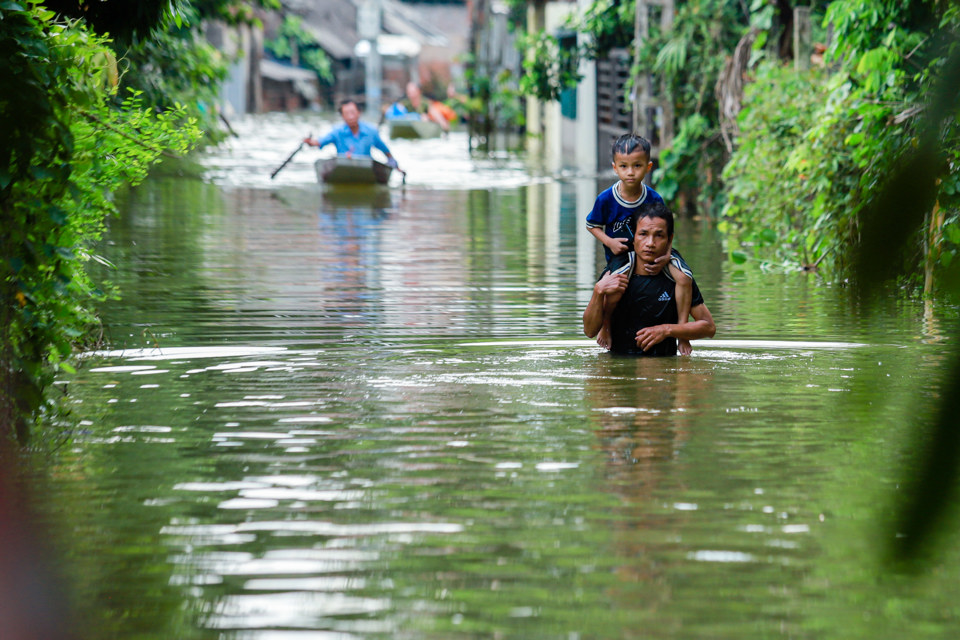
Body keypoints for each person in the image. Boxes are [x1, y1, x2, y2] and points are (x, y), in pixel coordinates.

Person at [586, 133, 694, 354]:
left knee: (685, 278)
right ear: (615, 168)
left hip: (653, 255)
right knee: (616, 287)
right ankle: (606, 326)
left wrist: (666, 256)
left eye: (637, 166)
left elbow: (665, 228)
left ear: (648, 167)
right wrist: (609, 242)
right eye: (624, 166)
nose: (630, 172)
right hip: (622, 255)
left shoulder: (654, 198)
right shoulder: (606, 199)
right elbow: (591, 225)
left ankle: (683, 332)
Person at [583, 201, 716, 356]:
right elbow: (589, 330)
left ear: (669, 239)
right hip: (619, 368)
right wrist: (598, 291)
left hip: (664, 371)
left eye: (659, 235)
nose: (650, 243)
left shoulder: (678, 277)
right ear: (633, 237)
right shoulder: (617, 272)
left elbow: (709, 328)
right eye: (643, 234)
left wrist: (666, 330)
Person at [304, 99, 399, 168]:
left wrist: (394, 164)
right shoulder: (337, 132)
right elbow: (320, 142)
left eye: (352, 113)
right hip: (343, 166)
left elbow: (385, 151)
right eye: (346, 114)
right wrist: (310, 142)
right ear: (342, 116)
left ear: (359, 113)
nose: (350, 117)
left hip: (365, 168)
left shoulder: (371, 132)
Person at [385, 81, 450, 132]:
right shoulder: (405, 104)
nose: (410, 93)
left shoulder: (426, 103)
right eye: (408, 91)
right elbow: (393, 113)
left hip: (423, 128)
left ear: (418, 91)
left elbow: (437, 116)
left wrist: (443, 127)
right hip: (408, 128)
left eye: (412, 91)